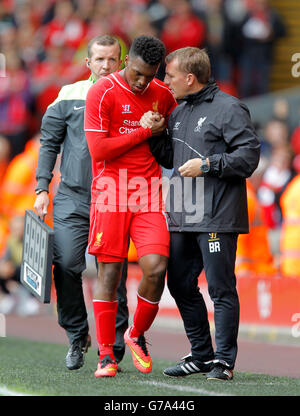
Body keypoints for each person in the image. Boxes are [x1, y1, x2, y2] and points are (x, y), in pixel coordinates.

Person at [147, 47, 260, 381]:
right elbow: (170, 158)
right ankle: (200, 355)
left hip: (217, 217)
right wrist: (155, 135)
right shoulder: (179, 112)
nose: (164, 81)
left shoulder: (229, 108)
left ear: (189, 78)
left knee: (220, 289)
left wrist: (209, 164)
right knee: (179, 284)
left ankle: (223, 362)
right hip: (183, 215)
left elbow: (249, 157)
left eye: (169, 75)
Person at [34, 35, 129, 371]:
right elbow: (49, 143)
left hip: (115, 198)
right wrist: (42, 187)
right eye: (99, 60)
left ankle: (114, 343)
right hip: (72, 196)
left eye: (112, 60)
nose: (106, 66)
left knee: (112, 271)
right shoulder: (69, 95)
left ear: (122, 62)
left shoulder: (132, 97)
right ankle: (77, 335)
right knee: (67, 263)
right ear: (88, 63)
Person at [84, 35, 177, 378]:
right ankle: (106, 354)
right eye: (137, 73)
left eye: (149, 76)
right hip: (110, 191)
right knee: (110, 274)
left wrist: (164, 127)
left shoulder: (163, 95)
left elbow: (173, 131)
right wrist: (142, 132)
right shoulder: (101, 92)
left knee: (155, 268)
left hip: (149, 192)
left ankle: (136, 334)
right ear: (126, 63)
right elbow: (99, 151)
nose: (141, 82)